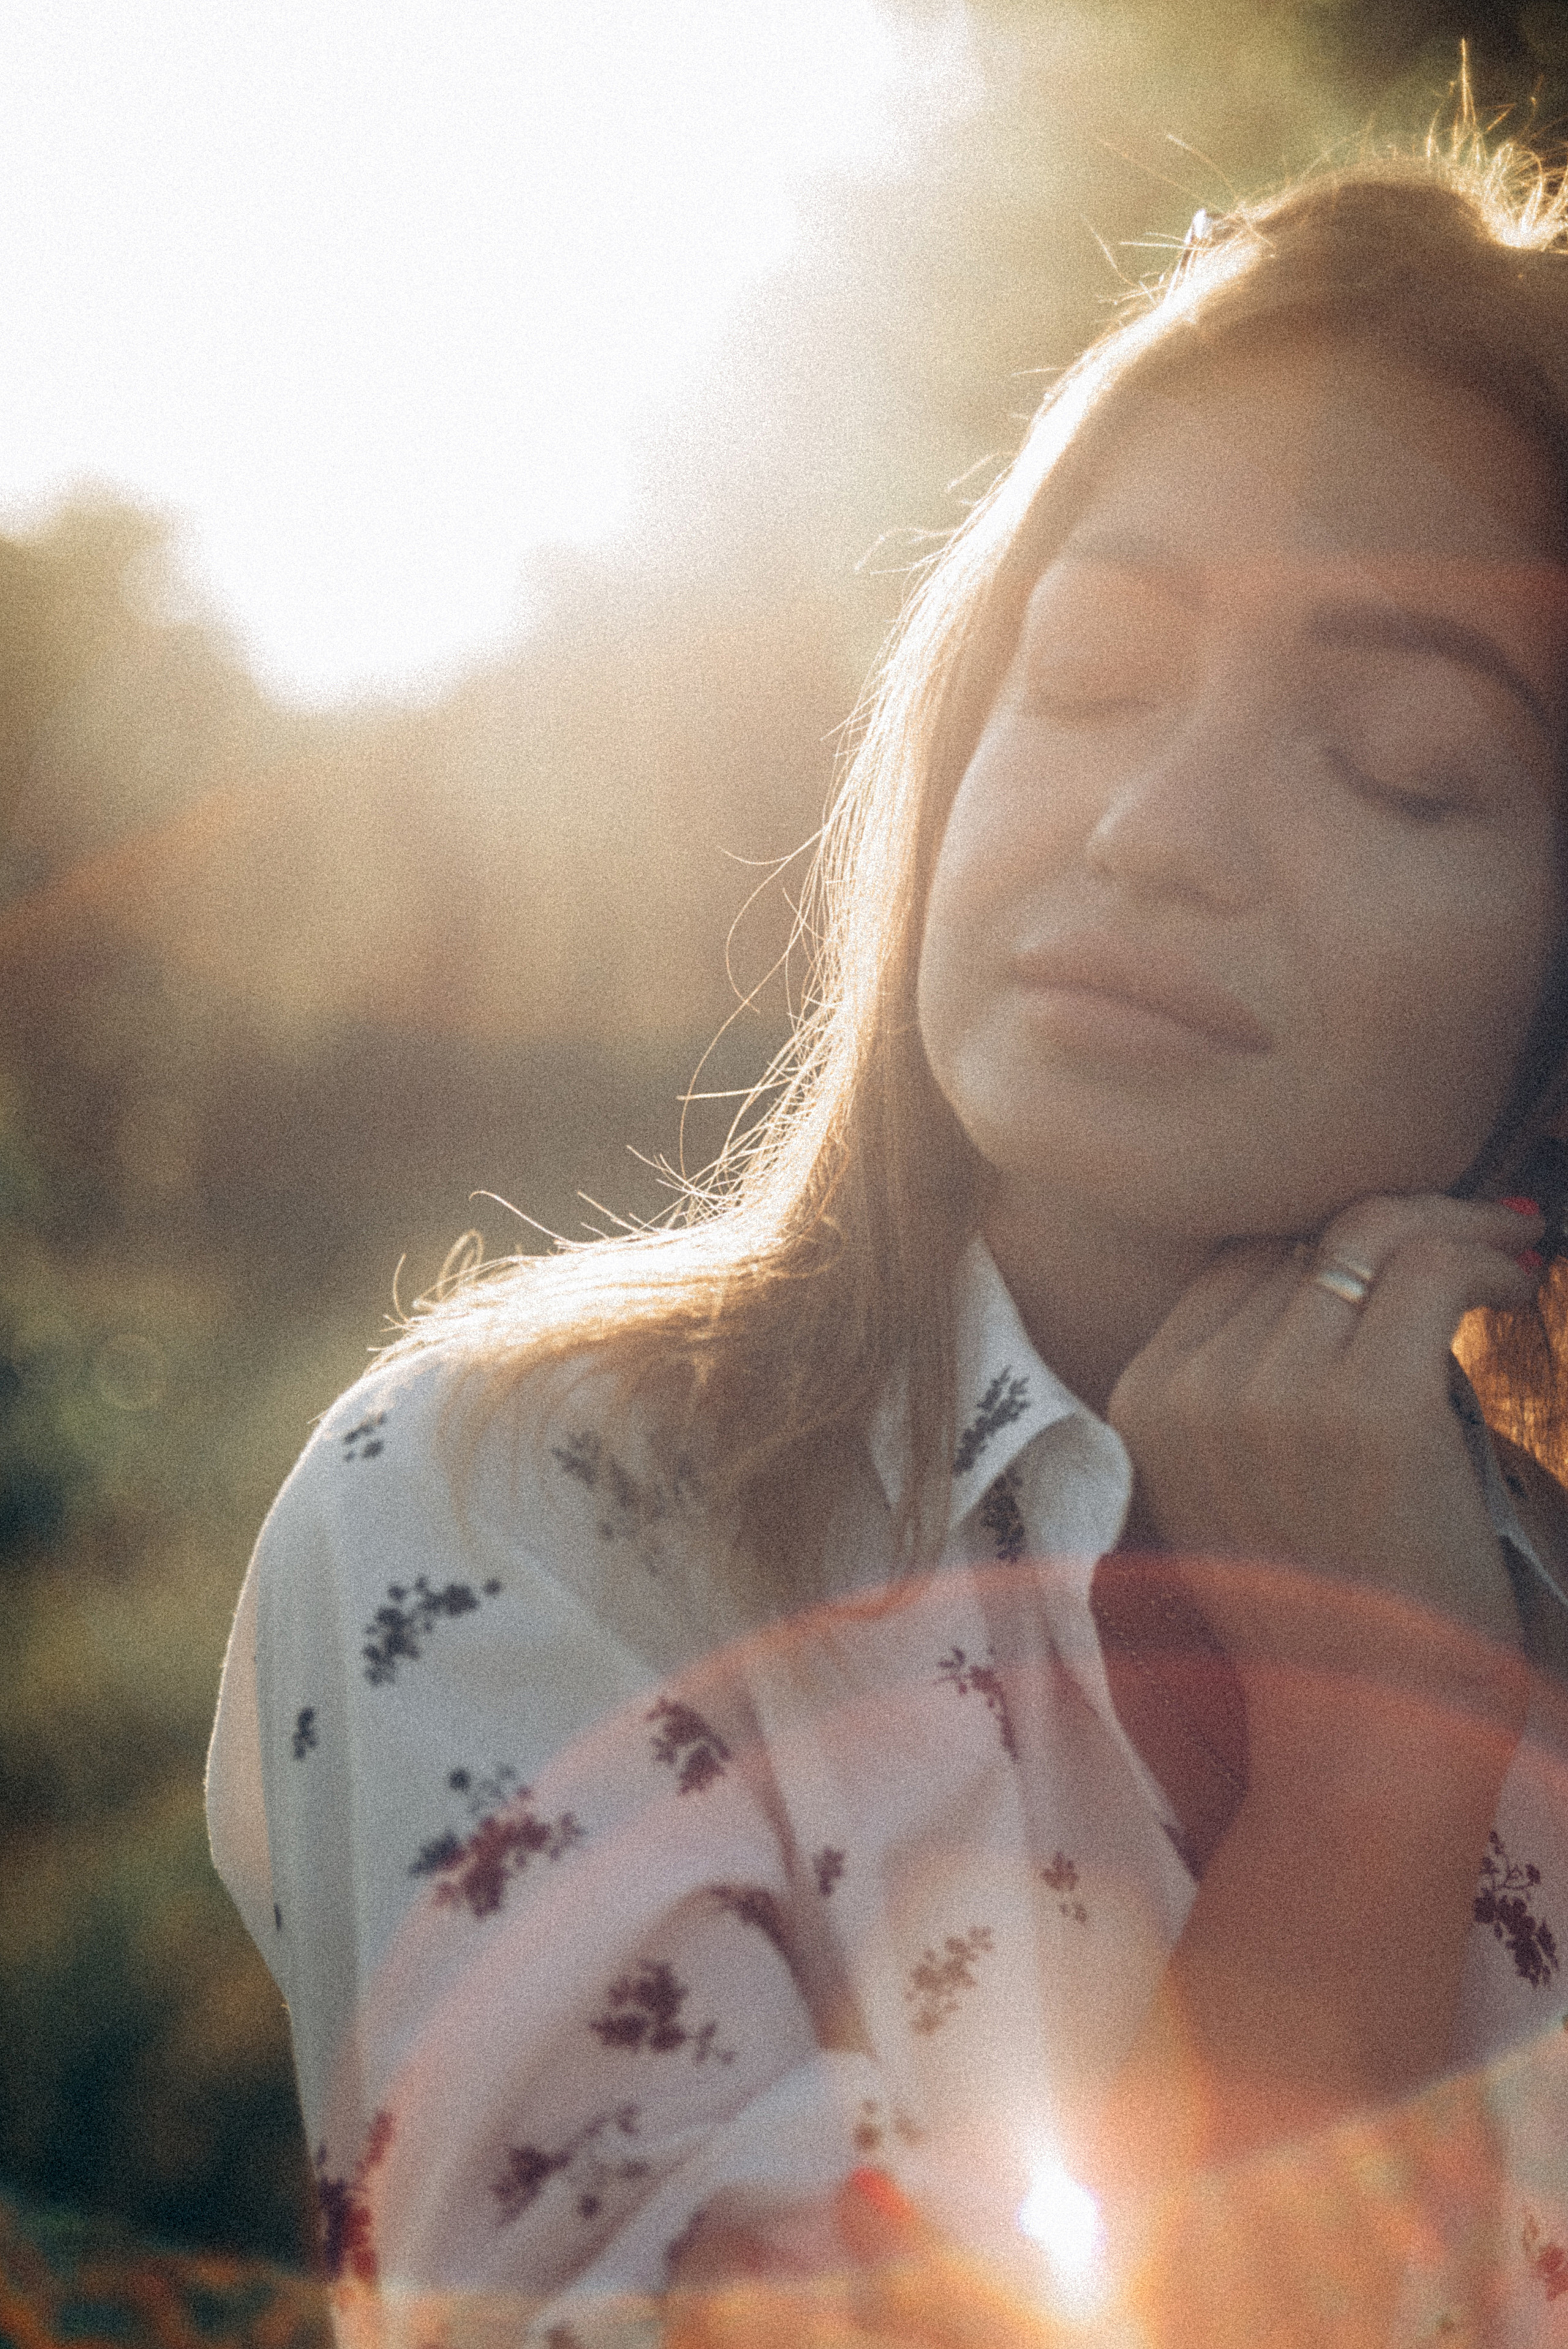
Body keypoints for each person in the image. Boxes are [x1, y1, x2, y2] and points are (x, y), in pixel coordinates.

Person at [209, 124, 1568, 2349]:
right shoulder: (525, 1495)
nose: (1149, 831)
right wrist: (1368, 1794)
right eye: (1097, 675)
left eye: (1403, 763)